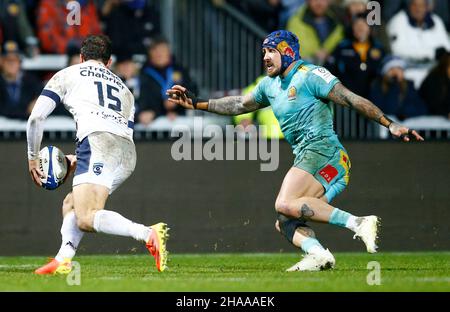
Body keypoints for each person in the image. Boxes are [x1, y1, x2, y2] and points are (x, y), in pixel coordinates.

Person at [167, 30, 423, 271]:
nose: (265, 57)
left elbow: (350, 99)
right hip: (315, 159)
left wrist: (390, 124)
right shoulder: (270, 85)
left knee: (284, 202)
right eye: (263, 52)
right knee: (285, 220)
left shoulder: (311, 75)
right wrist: (196, 102)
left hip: (324, 152)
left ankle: (359, 223)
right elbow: (238, 104)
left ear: (287, 51)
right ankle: (319, 255)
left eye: (270, 51)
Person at [26, 35, 169, 275]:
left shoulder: (69, 73)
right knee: (72, 203)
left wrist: (32, 157)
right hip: (126, 153)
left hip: (97, 143)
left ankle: (147, 233)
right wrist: (82, 160)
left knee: (86, 216)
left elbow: (36, 118)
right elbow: (121, 132)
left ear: (82, 57)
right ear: (109, 62)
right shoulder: (125, 89)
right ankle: (63, 259)